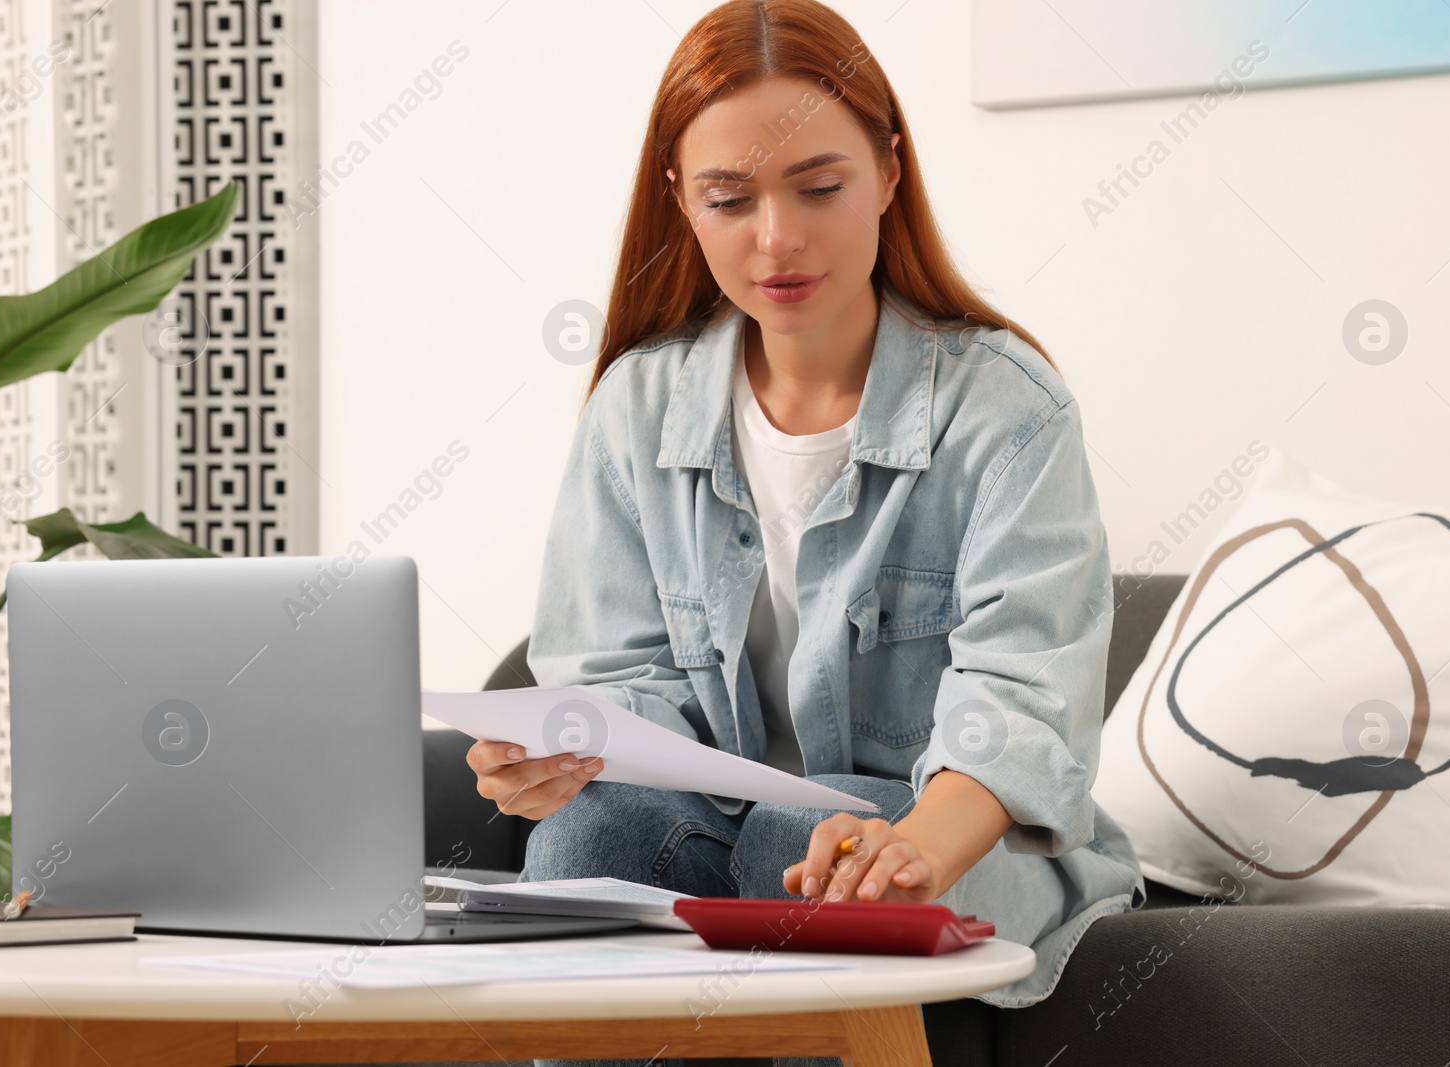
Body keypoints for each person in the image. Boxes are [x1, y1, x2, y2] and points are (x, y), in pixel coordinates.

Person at [465, 2, 1146, 1064]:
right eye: (728, 198)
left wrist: (907, 852)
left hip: (958, 835)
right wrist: (563, 754)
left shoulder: (1007, 408)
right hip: (726, 819)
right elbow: (621, 685)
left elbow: (1021, 708)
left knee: (804, 845)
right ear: (680, 200)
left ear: (887, 171)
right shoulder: (636, 409)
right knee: (590, 834)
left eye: (818, 187)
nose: (774, 237)